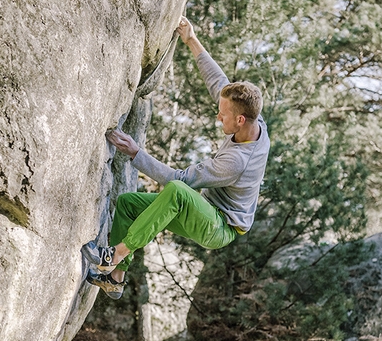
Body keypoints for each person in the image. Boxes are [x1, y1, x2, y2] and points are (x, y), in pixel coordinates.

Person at [82, 17, 270, 299]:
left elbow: (180, 180)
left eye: (223, 115)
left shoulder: (237, 162)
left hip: (219, 227)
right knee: (128, 203)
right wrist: (191, 39)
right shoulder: (253, 120)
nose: (218, 116)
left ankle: (114, 256)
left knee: (177, 191)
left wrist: (136, 153)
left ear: (240, 119)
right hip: (205, 209)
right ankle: (115, 279)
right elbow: (219, 84)